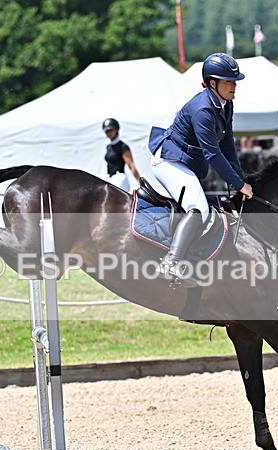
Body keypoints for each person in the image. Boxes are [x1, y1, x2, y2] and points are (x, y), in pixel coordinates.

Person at [148, 52, 253, 286]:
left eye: (234, 81)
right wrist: (238, 184)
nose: (234, 86)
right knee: (199, 209)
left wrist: (240, 176)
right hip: (168, 161)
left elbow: (227, 143)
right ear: (212, 83)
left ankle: (191, 259)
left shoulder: (225, 104)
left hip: (184, 161)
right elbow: (212, 153)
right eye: (228, 81)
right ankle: (171, 262)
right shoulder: (203, 110)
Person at [102, 118, 141, 191]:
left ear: (116, 129)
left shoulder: (123, 146)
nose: (108, 133)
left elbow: (131, 165)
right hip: (110, 178)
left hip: (120, 178)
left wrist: (140, 183)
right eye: (106, 131)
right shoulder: (109, 147)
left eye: (110, 130)